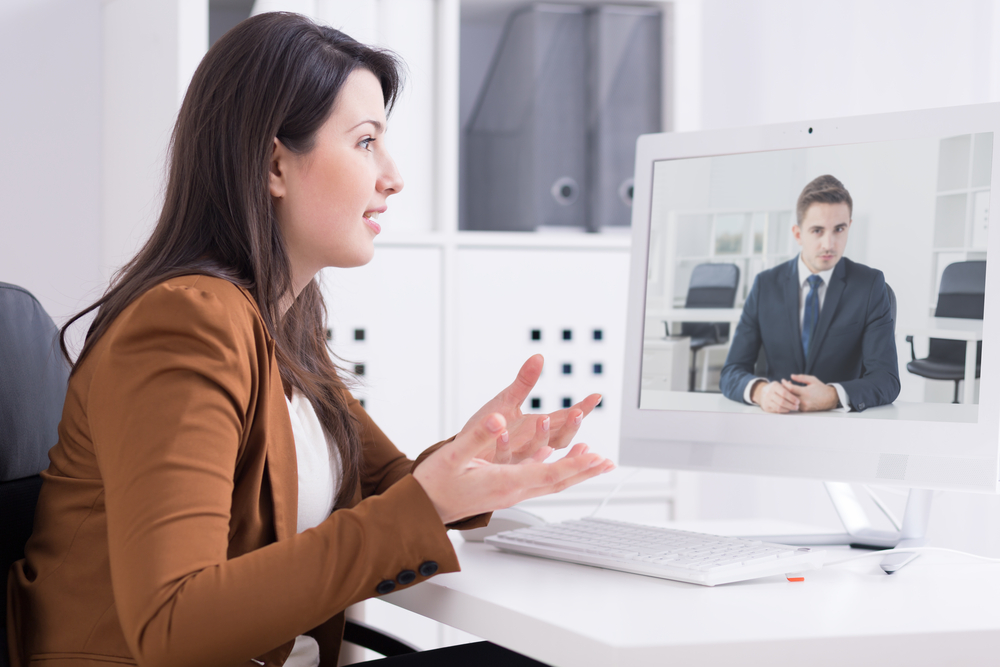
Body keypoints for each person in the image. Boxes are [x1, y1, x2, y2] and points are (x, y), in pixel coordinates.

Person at [6, 13, 614, 667]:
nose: (393, 176)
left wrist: (478, 471)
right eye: (364, 142)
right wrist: (426, 501)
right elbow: (172, 623)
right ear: (274, 163)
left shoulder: (282, 327)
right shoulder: (186, 325)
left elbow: (389, 491)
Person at [719, 174, 899, 413]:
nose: (829, 243)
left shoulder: (869, 285)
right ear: (797, 234)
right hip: (778, 420)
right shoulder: (766, 285)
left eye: (839, 229)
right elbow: (731, 371)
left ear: (849, 227)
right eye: (817, 231)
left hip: (843, 423)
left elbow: (887, 379)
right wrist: (760, 391)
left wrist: (833, 395)